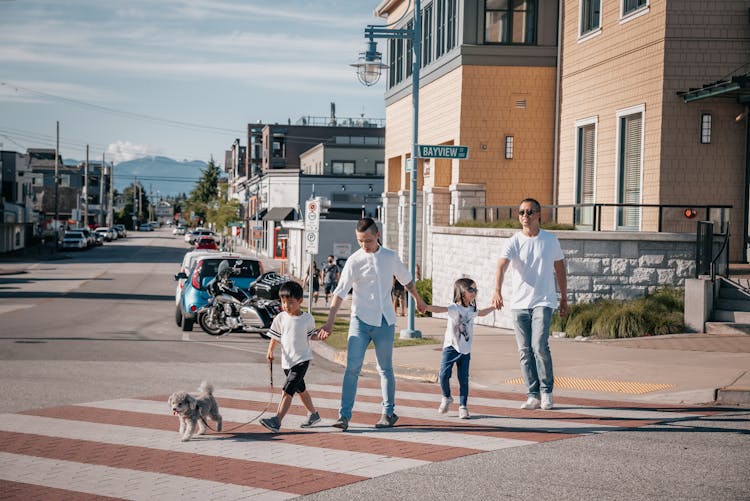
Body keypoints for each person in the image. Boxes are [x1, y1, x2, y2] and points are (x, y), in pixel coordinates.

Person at [318, 217, 427, 431]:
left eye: (367, 240)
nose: (364, 245)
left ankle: (388, 412)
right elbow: (339, 293)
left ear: (377, 236)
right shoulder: (354, 261)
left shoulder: (390, 257)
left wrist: (418, 299)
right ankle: (344, 416)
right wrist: (329, 322)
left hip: (385, 321)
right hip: (359, 321)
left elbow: (406, 280)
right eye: (360, 241)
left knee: (385, 369)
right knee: (352, 369)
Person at [492, 198, 568, 411]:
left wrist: (564, 298)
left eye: (529, 212)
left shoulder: (550, 240)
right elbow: (501, 266)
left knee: (539, 346)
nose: (525, 216)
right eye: (521, 212)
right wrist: (497, 290)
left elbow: (560, 270)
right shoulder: (513, 241)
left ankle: (546, 392)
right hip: (519, 304)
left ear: (538, 215)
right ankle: (532, 394)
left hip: (543, 301)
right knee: (525, 350)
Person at [425, 278, 497, 419]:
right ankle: (446, 397)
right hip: (451, 347)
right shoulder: (454, 308)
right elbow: (440, 309)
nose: (475, 293)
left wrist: (494, 306)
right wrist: (426, 307)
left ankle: (463, 406)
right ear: (462, 292)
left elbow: (481, 313)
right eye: (472, 290)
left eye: (476, 290)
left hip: (465, 349)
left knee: (463, 379)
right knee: (443, 375)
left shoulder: (472, 309)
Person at [259, 281, 321, 433]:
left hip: (302, 360)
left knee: (288, 389)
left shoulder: (307, 318)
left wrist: (320, 336)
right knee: (301, 390)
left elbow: (311, 335)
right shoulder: (280, 318)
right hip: (287, 362)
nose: (286, 305)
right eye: (283, 302)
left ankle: (277, 420)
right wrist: (270, 351)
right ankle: (313, 414)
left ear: (300, 301)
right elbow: (275, 336)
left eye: (291, 302)